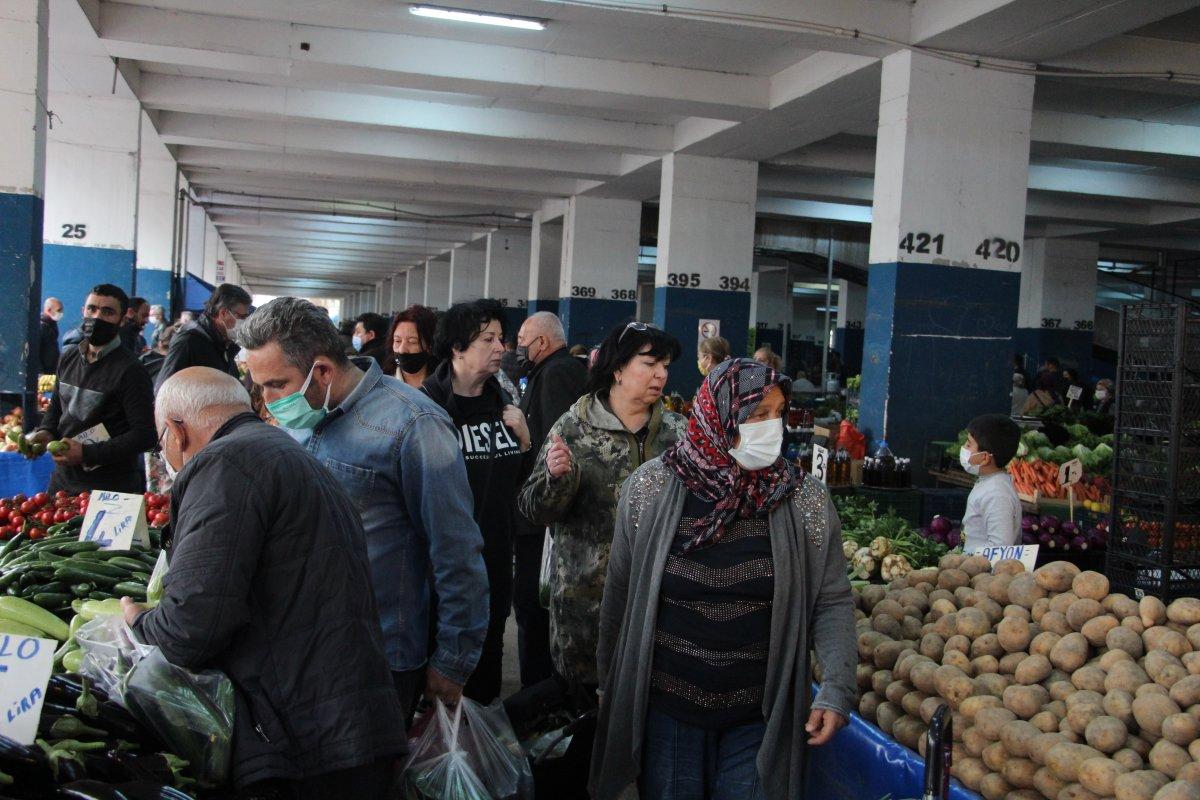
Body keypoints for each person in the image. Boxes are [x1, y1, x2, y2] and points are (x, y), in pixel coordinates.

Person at [123, 367, 405, 796]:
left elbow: (194, 626)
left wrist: (140, 623)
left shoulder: (224, 464)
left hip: (303, 737)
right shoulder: (283, 452)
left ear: (177, 431)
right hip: (343, 716)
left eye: (162, 441)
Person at [591, 358, 857, 800]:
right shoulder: (650, 489)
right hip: (669, 706)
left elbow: (830, 601)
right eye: (756, 415)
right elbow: (620, 593)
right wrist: (609, 683)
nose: (771, 427)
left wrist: (836, 687)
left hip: (759, 712)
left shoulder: (803, 499)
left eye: (778, 414)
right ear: (719, 415)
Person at [239, 298, 488, 720]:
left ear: (321, 371)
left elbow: (456, 550)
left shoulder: (414, 425)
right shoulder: (304, 415)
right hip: (302, 641)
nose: (268, 399)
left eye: (276, 385)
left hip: (376, 657)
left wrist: (453, 660)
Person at [518, 320, 686, 688]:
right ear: (618, 368)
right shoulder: (574, 428)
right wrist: (555, 480)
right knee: (589, 722)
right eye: (649, 363)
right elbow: (532, 508)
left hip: (661, 607)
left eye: (666, 366)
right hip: (586, 608)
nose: (660, 374)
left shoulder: (679, 434)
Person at [422, 300, 530, 703]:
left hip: (496, 560)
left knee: (486, 674)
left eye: (501, 338)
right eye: (488, 339)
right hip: (441, 570)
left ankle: (478, 758)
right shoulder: (427, 406)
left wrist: (526, 442)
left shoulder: (504, 402)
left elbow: (519, 485)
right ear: (457, 347)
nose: (501, 347)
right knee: (436, 676)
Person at [511, 311, 588, 687]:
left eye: (522, 339)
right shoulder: (552, 371)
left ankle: (540, 696)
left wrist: (525, 441)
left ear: (541, 342)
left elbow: (555, 446)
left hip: (544, 517)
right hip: (537, 512)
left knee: (533, 607)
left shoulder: (557, 374)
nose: (516, 347)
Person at [30, 284, 156, 494]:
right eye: (92, 309)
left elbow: (144, 435)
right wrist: (45, 432)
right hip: (63, 483)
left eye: (108, 312)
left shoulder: (131, 371)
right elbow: (57, 407)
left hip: (109, 488)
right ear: (83, 311)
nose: (97, 317)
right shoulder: (68, 357)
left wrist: (87, 453)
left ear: (122, 318)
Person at [156, 283, 252, 391]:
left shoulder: (222, 345)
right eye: (242, 317)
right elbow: (164, 389)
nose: (244, 322)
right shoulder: (189, 341)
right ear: (223, 313)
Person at [960, 413, 1022, 551]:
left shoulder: (997, 494)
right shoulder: (988, 482)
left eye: (969, 444)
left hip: (982, 570)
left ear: (985, 458)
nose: (964, 448)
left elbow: (1000, 547)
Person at [389, 305, 439, 389]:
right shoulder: (383, 385)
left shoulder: (444, 387)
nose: (401, 350)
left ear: (430, 345)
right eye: (397, 341)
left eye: (412, 342)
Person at [37, 297, 63, 376]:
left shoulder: (52, 325)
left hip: (52, 372)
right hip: (43, 375)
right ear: (48, 310)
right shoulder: (40, 327)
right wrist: (40, 374)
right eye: (59, 310)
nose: (61, 313)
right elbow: (34, 353)